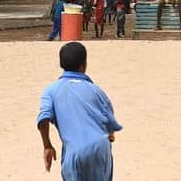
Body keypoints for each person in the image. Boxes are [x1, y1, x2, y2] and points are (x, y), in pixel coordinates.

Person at [36, 42, 122, 180]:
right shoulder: (97, 91)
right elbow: (110, 128)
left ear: (61, 64)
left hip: (74, 152)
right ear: (84, 65)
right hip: (100, 149)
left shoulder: (51, 90)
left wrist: (47, 145)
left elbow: (43, 119)